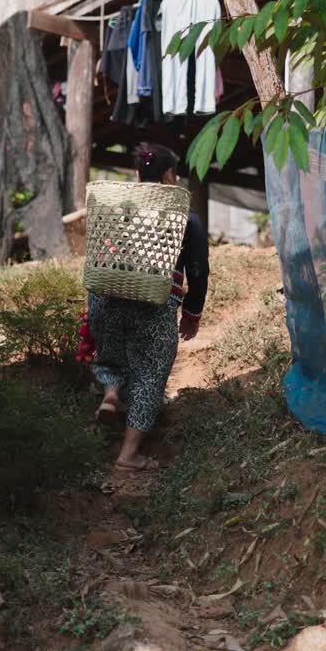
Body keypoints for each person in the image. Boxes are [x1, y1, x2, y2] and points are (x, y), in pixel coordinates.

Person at [88, 143, 209, 471]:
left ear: (138, 175)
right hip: (153, 303)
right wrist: (192, 314)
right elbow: (197, 271)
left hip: (105, 295)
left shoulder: (115, 207)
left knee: (112, 354)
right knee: (150, 373)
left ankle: (111, 393)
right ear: (171, 176)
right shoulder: (185, 217)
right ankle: (129, 455)